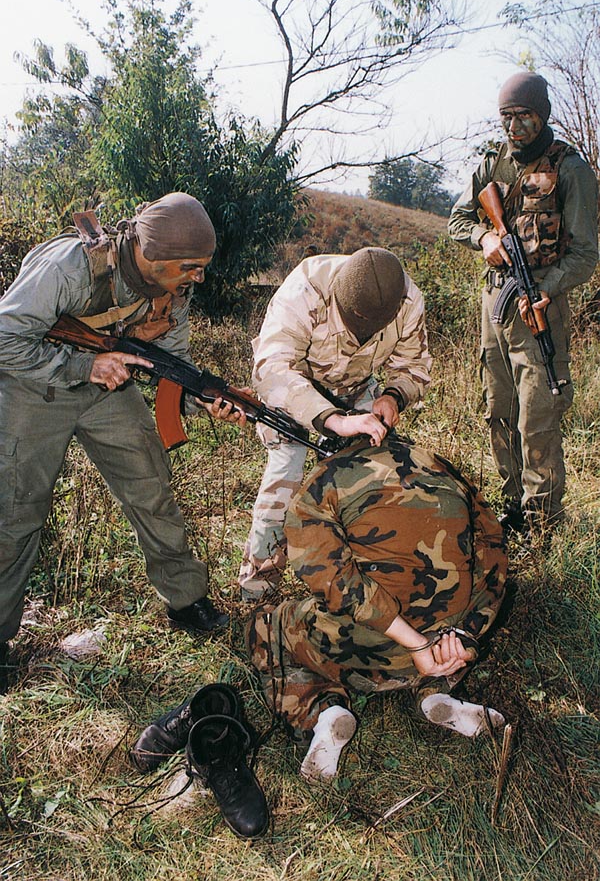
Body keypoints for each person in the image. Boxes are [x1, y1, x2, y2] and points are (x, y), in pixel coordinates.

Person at [0, 192, 245, 694]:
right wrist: (82, 366)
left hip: (108, 387)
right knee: (15, 513)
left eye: (201, 267)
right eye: (191, 267)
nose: (198, 278)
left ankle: (186, 599)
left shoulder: (173, 289)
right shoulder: (68, 267)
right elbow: (5, 338)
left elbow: (171, 366)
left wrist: (205, 399)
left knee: (151, 486)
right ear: (152, 256)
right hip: (34, 386)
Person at [246, 433, 507, 782]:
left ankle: (323, 711)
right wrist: (466, 632)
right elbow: (492, 550)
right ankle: (435, 693)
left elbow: (334, 583)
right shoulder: (442, 467)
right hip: (443, 650)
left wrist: (414, 643)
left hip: (367, 651)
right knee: (442, 611)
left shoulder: (327, 479)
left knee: (266, 625)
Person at [448, 71, 598, 535]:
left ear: (543, 115)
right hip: (496, 300)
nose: (514, 127)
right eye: (506, 117)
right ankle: (513, 503)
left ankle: (543, 521)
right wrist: (485, 237)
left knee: (538, 414)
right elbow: (457, 219)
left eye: (524, 116)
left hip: (540, 306)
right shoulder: (492, 164)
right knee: (499, 407)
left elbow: (586, 254)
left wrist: (549, 286)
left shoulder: (570, 169)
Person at [239, 246, 432, 601]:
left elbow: (413, 367)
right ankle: (259, 589)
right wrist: (334, 421)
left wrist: (393, 396)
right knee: (285, 480)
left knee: (380, 476)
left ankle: (371, 577)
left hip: (357, 390)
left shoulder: (406, 298)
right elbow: (272, 368)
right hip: (295, 392)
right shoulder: (306, 288)